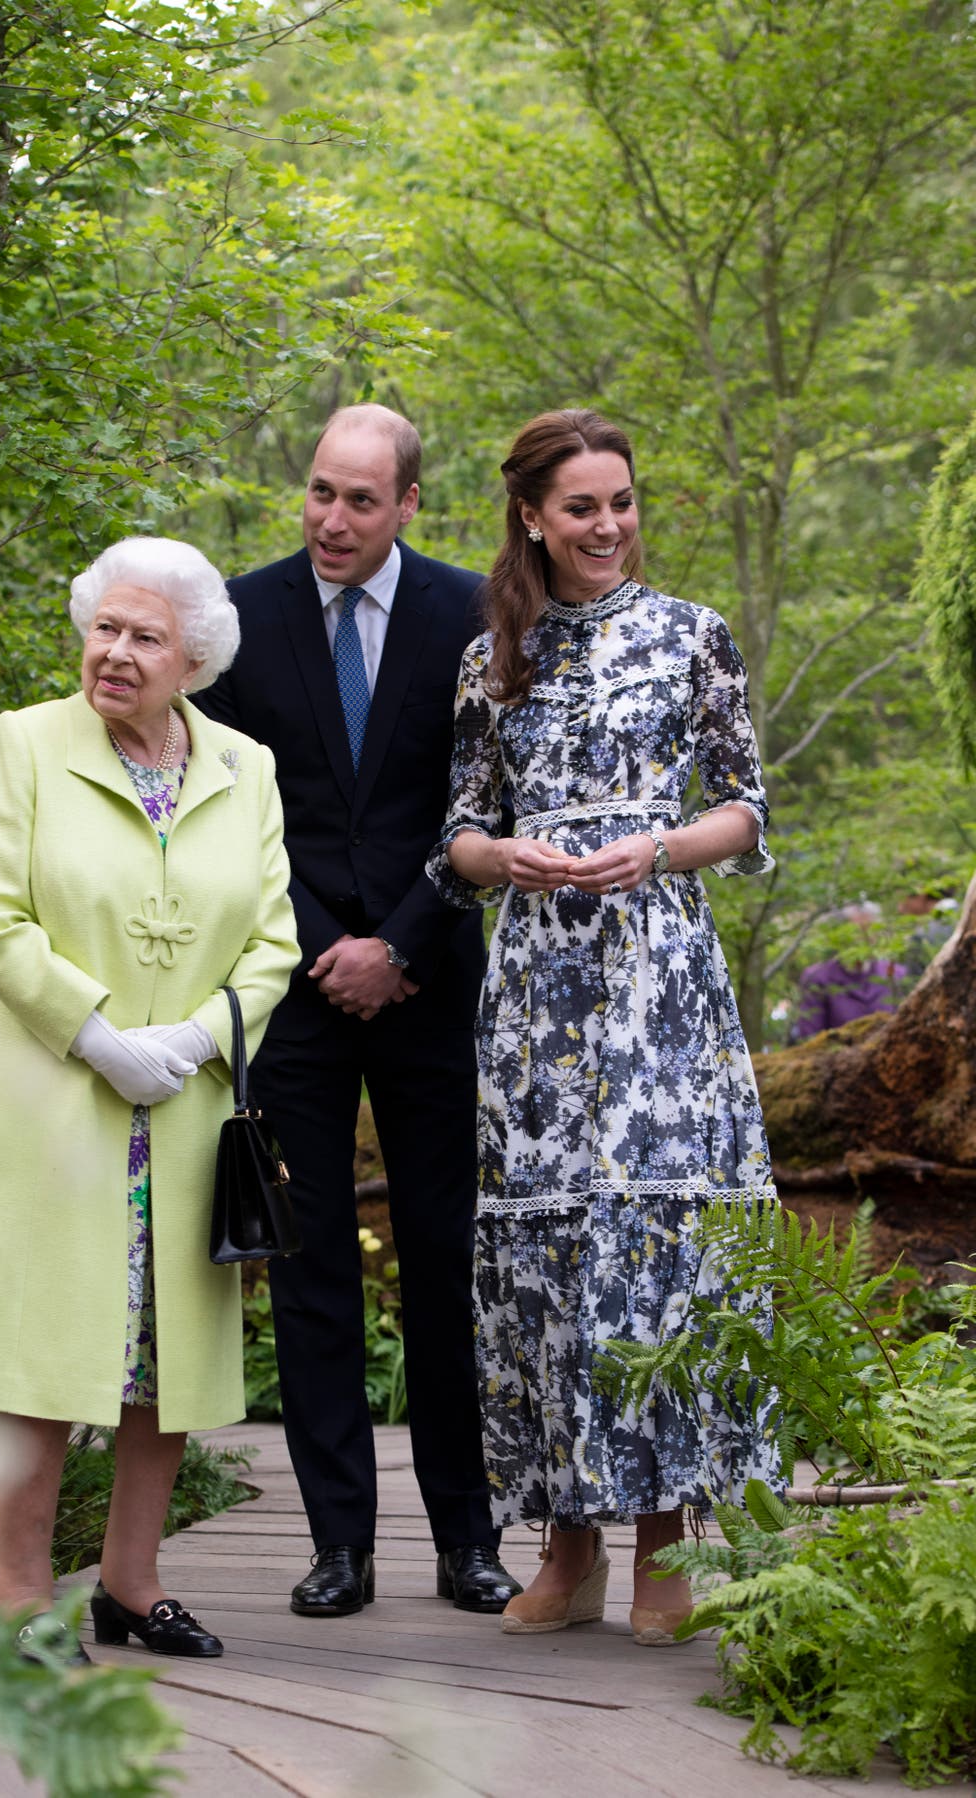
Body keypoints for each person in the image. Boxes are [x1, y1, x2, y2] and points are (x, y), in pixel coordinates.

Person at [426, 408, 782, 1647]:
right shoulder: (494, 656)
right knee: (547, 1256)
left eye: (621, 501)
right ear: (532, 515)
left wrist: (661, 847)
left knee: (656, 1246)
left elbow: (746, 809)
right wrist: (503, 857)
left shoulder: (693, 634)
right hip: (538, 991)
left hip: (658, 977)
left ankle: (665, 1545)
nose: (608, 525)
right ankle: (565, 1545)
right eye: (582, 506)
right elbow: (457, 834)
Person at [196, 403, 520, 1619]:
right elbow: (227, 810)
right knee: (313, 1264)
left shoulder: (472, 614)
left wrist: (402, 941)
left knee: (444, 1260)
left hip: (430, 979)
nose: (332, 519)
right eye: (321, 491)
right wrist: (328, 945)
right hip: (295, 987)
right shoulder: (242, 616)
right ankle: (340, 1545)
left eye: (361, 500)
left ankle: (468, 1540)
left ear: (409, 506)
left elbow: (491, 797)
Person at [0, 536, 299, 1662]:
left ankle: (132, 1584)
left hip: (187, 1109)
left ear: (193, 659)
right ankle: (18, 1588)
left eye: (146, 637)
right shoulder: (29, 742)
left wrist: (197, 1038)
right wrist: (98, 1037)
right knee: (44, 1353)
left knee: (163, 1356)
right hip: (63, 1100)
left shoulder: (246, 766)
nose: (115, 652)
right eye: (105, 626)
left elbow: (274, 940)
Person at [790, 901, 907, 1040]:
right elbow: (809, 1037)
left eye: (870, 931)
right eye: (857, 932)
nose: (864, 938)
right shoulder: (818, 978)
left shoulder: (895, 974)